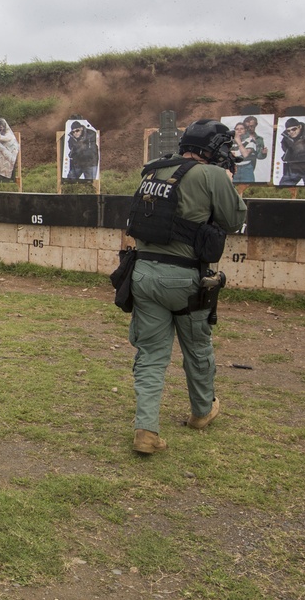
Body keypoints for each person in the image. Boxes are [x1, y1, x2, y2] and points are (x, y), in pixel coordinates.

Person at [127, 119, 247, 454]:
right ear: (215, 149)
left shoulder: (153, 171)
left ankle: (146, 431)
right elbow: (234, 220)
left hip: (143, 273)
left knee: (150, 354)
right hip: (185, 279)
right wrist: (227, 183)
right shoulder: (210, 175)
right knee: (197, 348)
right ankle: (201, 411)